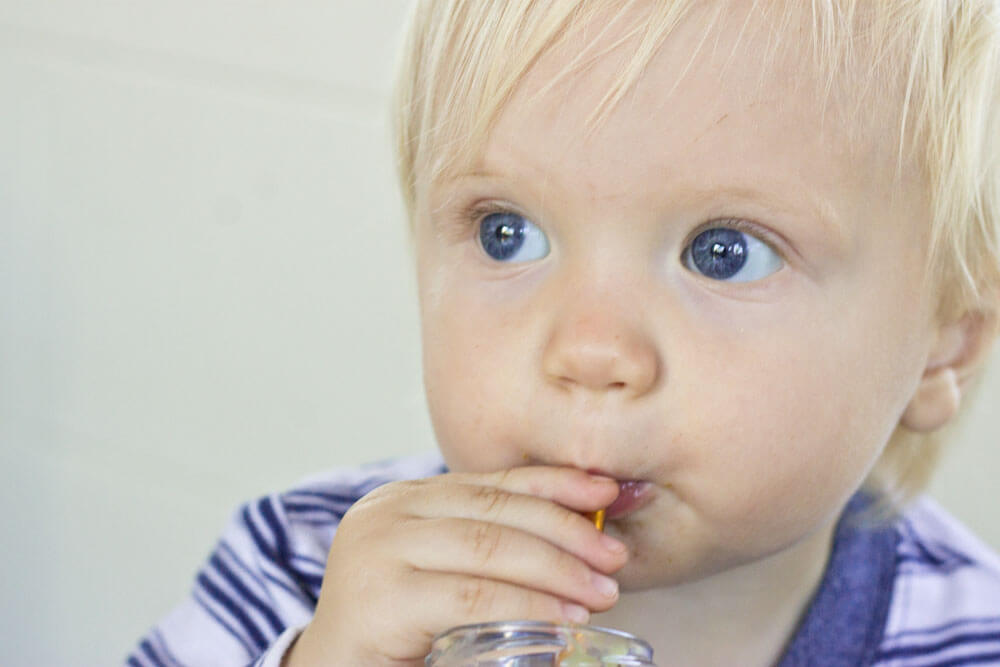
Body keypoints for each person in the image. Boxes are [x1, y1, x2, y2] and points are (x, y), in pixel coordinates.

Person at [127, 1, 1000, 665]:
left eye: (724, 253)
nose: (588, 351)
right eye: (508, 232)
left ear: (946, 340)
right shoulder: (301, 568)